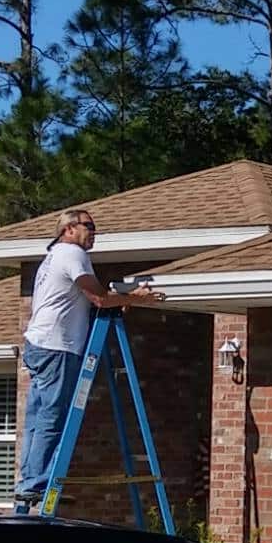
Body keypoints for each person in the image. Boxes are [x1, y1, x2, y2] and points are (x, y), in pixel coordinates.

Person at [13, 209, 162, 514]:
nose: (94, 233)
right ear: (68, 229)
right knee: (53, 420)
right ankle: (38, 485)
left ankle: (29, 483)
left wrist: (119, 298)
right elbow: (99, 299)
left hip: (40, 343)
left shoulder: (53, 256)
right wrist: (137, 297)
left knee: (37, 420)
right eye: (89, 227)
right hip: (58, 347)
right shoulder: (72, 253)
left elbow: (88, 297)